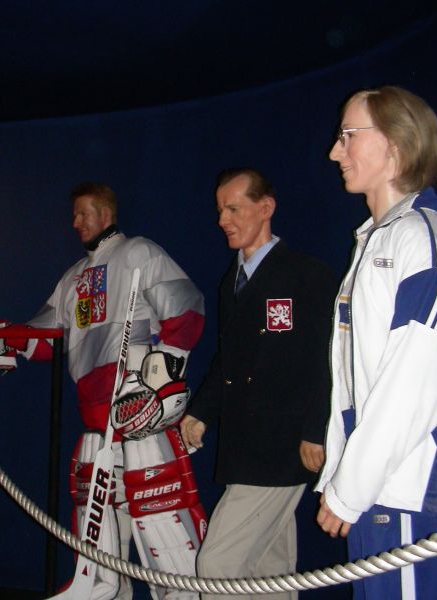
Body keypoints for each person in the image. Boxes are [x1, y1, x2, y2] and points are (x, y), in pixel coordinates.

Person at [0, 182, 207, 599]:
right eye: (75, 214)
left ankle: (186, 594)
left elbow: (186, 309)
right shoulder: (73, 278)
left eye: (83, 213)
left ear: (106, 213)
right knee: (96, 533)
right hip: (96, 420)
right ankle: (104, 590)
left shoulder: (139, 253)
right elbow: (44, 340)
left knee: (161, 517)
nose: (75, 222)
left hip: (138, 415)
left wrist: (160, 379)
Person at [315, 86, 437, 599]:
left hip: (410, 489)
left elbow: (420, 375)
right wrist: (346, 478)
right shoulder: (379, 240)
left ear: (395, 143)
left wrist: (351, 486)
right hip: (381, 489)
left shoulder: (415, 238)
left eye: (348, 136)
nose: (335, 152)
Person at [180, 168, 335, 600]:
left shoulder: (306, 274)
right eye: (220, 210)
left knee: (217, 566)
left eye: (233, 208)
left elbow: (328, 359)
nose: (222, 220)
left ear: (266, 208)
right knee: (270, 572)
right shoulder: (232, 280)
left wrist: (316, 428)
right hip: (244, 445)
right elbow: (229, 359)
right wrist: (200, 411)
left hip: (281, 446)